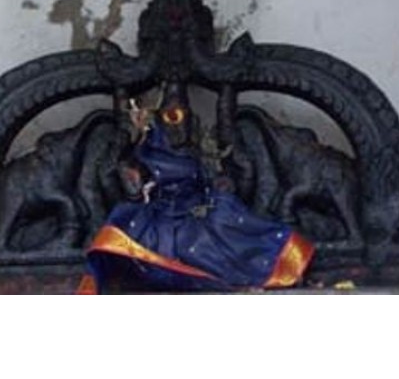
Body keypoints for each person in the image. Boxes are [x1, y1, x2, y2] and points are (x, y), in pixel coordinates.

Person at [77, 84, 314, 294]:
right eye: (171, 117)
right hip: (160, 219)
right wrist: (134, 182)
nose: (178, 125)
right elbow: (131, 187)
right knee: (176, 247)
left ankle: (280, 263)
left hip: (197, 212)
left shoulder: (199, 153)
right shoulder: (146, 154)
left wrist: (220, 186)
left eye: (182, 116)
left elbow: (216, 179)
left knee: (226, 229)